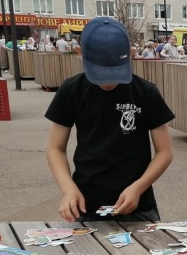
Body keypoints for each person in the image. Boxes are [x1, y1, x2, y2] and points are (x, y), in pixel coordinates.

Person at [45, 17, 174, 222]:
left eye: (114, 73)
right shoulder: (71, 90)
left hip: (138, 205)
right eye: (100, 73)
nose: (108, 82)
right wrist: (68, 188)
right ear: (80, 53)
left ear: (130, 55)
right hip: (85, 204)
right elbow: (55, 148)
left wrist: (138, 187)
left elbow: (164, 152)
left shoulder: (146, 92)